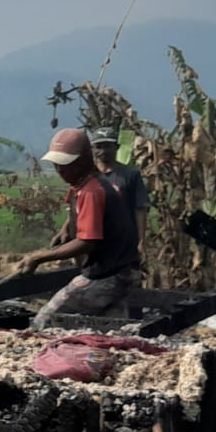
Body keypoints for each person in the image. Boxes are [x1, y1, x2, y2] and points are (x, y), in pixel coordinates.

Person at [18, 129, 141, 330]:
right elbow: (75, 210)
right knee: (111, 328)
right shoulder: (81, 184)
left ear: (82, 161)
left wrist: (39, 257)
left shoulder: (92, 191)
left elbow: (87, 241)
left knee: (44, 320)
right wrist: (66, 230)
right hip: (121, 269)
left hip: (108, 274)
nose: (60, 170)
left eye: (65, 165)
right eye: (57, 165)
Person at [89, 127, 151, 255]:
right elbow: (76, 206)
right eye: (98, 146)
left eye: (107, 146)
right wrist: (65, 229)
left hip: (124, 242)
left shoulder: (130, 175)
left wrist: (141, 240)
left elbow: (140, 208)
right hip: (93, 240)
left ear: (116, 147)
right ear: (92, 149)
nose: (103, 151)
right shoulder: (88, 176)